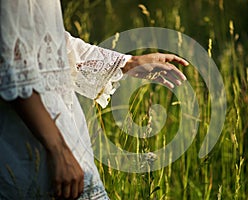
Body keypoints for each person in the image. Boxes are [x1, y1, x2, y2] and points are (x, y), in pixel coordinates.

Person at [0, 0, 188, 199]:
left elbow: (51, 41)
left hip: (55, 127)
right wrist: (59, 150)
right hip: (28, 140)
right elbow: (13, 71)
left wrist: (128, 63)